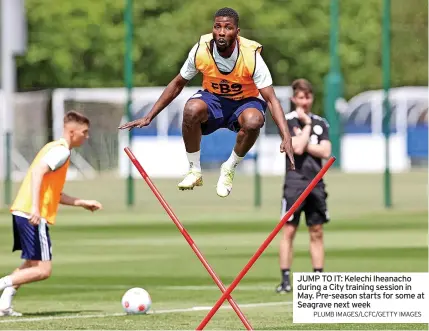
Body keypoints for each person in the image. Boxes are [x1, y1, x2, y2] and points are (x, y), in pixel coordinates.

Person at [119, 7, 295, 197]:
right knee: (191, 109)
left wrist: (286, 136)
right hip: (214, 101)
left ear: (237, 32)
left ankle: (229, 167)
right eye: (217, 26)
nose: (221, 32)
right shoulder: (201, 50)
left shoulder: (251, 56)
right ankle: (194, 170)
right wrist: (149, 116)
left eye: (228, 27)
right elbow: (177, 84)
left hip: (244, 103)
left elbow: (271, 99)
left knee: (254, 121)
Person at [0, 111, 103, 316]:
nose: (87, 136)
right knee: (43, 270)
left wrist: (82, 202)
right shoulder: (61, 151)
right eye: (85, 132)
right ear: (72, 132)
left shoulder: (53, 148)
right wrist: (36, 209)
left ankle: (4, 303)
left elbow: (54, 193)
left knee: (30, 264)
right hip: (32, 214)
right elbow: (38, 172)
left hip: (23, 211)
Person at [276, 79, 331, 293]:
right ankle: (285, 279)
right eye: (300, 98)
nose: (305, 101)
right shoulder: (288, 121)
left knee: (316, 230)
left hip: (316, 182)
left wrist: (307, 133)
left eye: (308, 97)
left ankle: (318, 279)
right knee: (289, 230)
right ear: (293, 99)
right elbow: (296, 148)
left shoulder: (321, 122)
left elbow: (326, 152)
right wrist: (306, 127)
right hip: (294, 182)